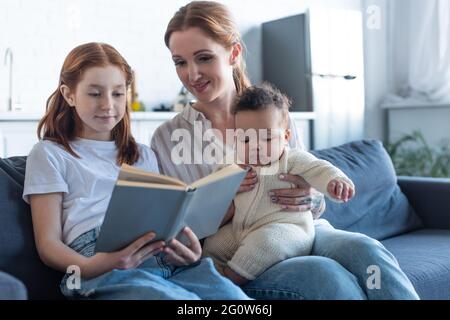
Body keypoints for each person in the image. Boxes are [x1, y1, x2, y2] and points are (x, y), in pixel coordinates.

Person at [151, 1, 419, 299]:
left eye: (203, 58)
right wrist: (228, 195)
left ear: (234, 53)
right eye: (180, 62)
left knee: (367, 250)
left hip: (300, 229)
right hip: (236, 249)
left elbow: (310, 184)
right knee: (325, 275)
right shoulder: (169, 137)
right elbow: (181, 229)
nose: (193, 74)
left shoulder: (273, 113)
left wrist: (311, 195)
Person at [23, 42, 250, 300]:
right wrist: (91, 266)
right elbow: (48, 244)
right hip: (96, 261)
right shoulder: (49, 154)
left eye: (118, 94)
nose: (108, 105)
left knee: (235, 300)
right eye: (95, 93)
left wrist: (190, 251)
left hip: (161, 255)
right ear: (69, 94)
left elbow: (163, 222)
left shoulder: (143, 155)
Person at [203, 83, 355, 286]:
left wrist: (335, 181)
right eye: (246, 139)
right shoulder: (233, 164)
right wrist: (225, 185)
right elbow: (209, 189)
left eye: (266, 137)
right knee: (214, 244)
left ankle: (230, 279)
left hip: (286, 229)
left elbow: (319, 169)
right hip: (240, 229)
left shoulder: (291, 160)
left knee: (266, 244)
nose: (256, 145)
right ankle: (206, 275)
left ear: (285, 136)